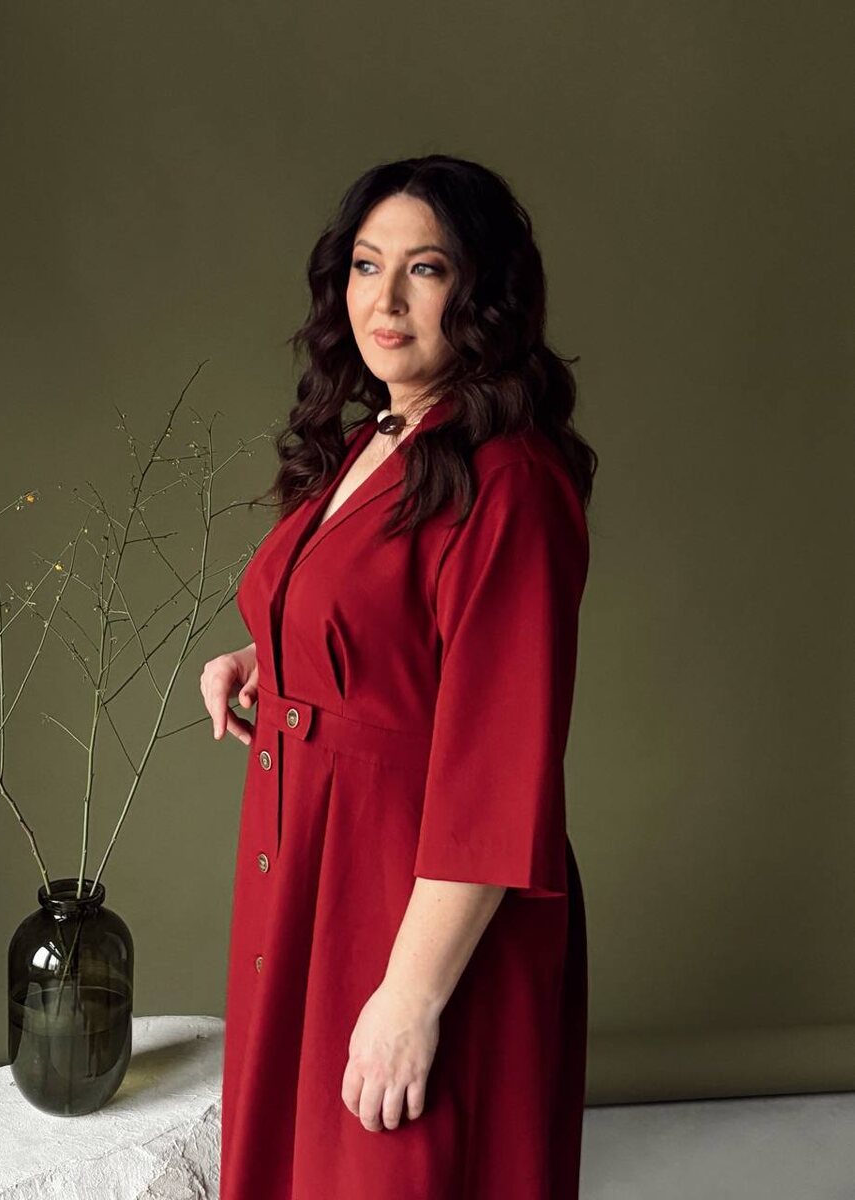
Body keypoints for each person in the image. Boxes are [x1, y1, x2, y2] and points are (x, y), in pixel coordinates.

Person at [200, 153, 598, 1199]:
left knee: (391, 1169)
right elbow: (385, 617)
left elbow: (497, 763)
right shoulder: (376, 435)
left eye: (424, 269)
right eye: (366, 265)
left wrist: (412, 996)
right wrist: (270, 658)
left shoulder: (511, 483)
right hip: (313, 877)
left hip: (411, 904)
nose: (383, 301)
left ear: (482, 292)